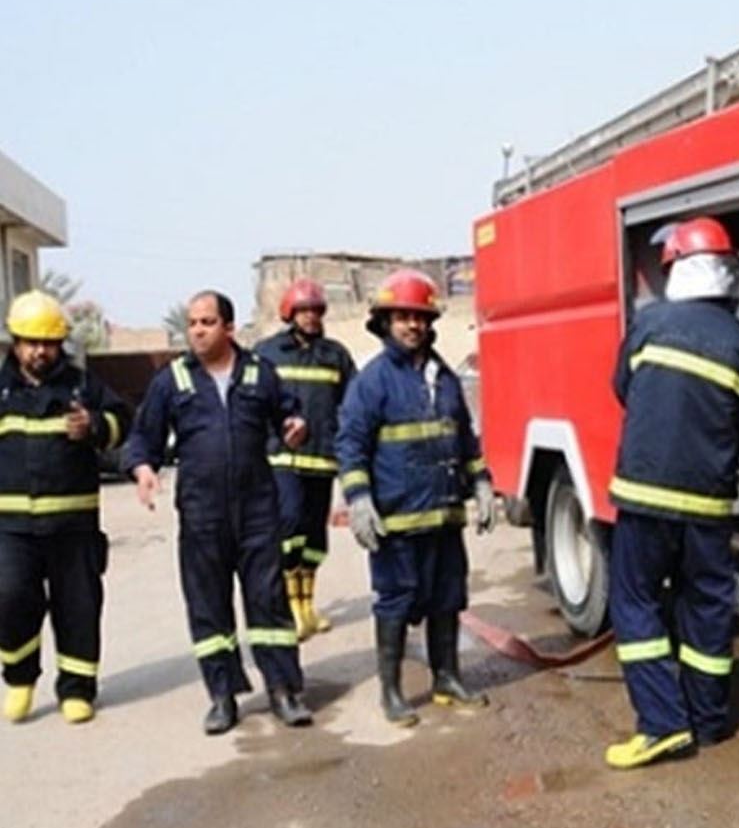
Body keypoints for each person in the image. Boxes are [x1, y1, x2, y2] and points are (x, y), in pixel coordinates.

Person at [604, 216, 739, 769]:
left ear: (676, 269)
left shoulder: (651, 325)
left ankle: (662, 725)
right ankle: (709, 720)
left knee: (636, 604)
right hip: (709, 505)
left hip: (645, 496)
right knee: (707, 609)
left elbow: (623, 389)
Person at [123, 290, 314, 735]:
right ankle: (223, 697)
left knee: (268, 602)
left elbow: (290, 414)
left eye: (207, 322)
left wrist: (296, 427)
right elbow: (142, 437)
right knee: (208, 607)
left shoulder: (259, 373)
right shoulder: (172, 380)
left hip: (257, 511)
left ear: (228, 327)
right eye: (192, 323)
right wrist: (143, 469)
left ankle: (284, 690)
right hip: (202, 513)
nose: (197, 330)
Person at [335, 269, 497, 727]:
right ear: (386, 322)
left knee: (448, 598)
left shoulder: (443, 377)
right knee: (396, 602)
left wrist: (481, 483)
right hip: (398, 522)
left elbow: (464, 438)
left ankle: (447, 677)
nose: (412, 325)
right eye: (402, 317)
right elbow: (350, 445)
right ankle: (391, 691)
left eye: (419, 317)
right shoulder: (373, 381)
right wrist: (360, 500)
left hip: (444, 517)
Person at [0, 291, 131, 724]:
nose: (40, 351)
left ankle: (77, 689)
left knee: (78, 607)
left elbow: (122, 421)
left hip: (74, 525)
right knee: (10, 598)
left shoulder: (81, 385)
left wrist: (95, 426)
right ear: (15, 343)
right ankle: (19, 677)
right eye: (31, 342)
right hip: (11, 527)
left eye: (49, 342)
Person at [254, 278, 356, 640]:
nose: (311, 317)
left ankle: (307, 607)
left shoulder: (335, 355)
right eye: (304, 311)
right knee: (290, 522)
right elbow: (255, 404)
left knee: (314, 536)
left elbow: (351, 406)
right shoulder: (267, 353)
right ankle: (289, 607)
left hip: (322, 460)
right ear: (289, 313)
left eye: (315, 310)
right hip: (282, 459)